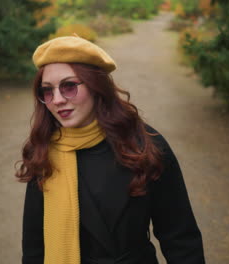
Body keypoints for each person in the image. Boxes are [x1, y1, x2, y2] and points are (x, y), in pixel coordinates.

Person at [15, 36, 205, 264]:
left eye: (69, 86)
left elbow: (180, 238)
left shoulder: (145, 146)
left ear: (97, 86)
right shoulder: (44, 152)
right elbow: (35, 247)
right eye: (47, 91)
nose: (57, 100)